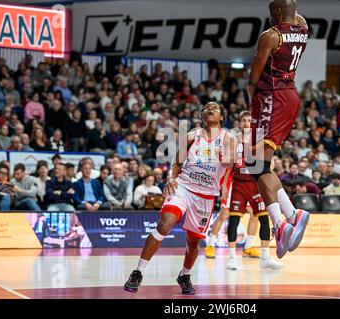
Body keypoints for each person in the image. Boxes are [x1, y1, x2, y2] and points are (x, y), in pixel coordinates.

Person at [123, 102, 237, 295]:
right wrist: (170, 179)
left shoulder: (229, 139)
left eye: (215, 108)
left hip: (206, 195)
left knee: (193, 243)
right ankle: (138, 272)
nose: (209, 109)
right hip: (183, 187)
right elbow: (176, 162)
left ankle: (184, 275)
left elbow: (229, 163)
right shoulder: (192, 136)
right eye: (206, 108)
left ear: (222, 117)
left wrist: (223, 157)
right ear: (202, 115)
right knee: (164, 225)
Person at [246, 0, 310, 259]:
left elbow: (253, 77)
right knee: (258, 166)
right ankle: (286, 219)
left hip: (272, 97)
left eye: (272, 10)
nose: (269, 15)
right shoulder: (303, 29)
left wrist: (252, 106)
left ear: (278, 11)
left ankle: (286, 221)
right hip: (291, 95)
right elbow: (299, 18)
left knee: (256, 165)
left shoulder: (271, 36)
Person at [204, 112, 278, 265]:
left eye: (249, 120)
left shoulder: (259, 140)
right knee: (225, 214)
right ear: (239, 123)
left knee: (255, 215)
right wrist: (224, 184)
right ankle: (210, 244)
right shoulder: (233, 139)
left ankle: (249, 246)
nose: (246, 123)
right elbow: (227, 164)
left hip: (254, 183)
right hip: (235, 182)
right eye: (243, 120)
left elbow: (270, 163)